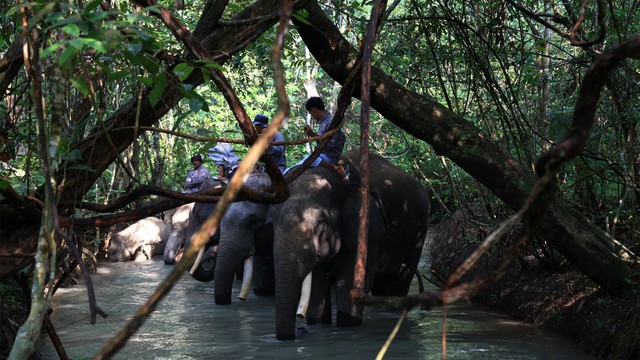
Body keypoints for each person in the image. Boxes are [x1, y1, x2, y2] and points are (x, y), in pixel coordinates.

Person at [300, 96, 346, 175]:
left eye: (311, 113)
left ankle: (333, 166)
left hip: (329, 157)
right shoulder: (323, 123)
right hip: (321, 156)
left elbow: (331, 145)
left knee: (309, 160)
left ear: (314, 110)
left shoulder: (331, 122)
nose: (312, 116)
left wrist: (313, 135)